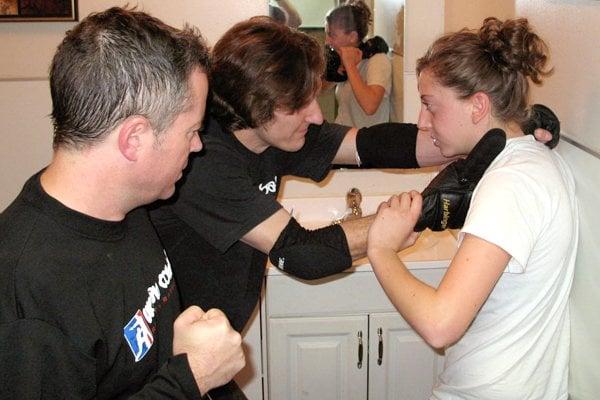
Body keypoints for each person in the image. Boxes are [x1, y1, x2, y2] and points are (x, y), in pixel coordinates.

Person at [148, 16, 557, 336]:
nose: (316, 115)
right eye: (300, 105)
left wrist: (502, 128)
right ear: (257, 108)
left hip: (207, 339)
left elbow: (374, 144)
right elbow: (301, 253)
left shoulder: (277, 134)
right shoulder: (202, 165)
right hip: (170, 353)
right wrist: (421, 213)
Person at [0, 7, 245, 399]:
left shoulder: (128, 207)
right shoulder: (28, 299)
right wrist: (190, 376)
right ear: (135, 139)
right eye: (192, 131)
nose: (198, 146)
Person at [366, 17, 578, 399]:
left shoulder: (511, 183)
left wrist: (380, 250)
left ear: (478, 105)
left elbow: (440, 324)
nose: (422, 120)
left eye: (430, 105)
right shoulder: (525, 161)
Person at [324, 0, 392, 128]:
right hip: (342, 136)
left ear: (352, 37)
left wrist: (350, 66)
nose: (327, 41)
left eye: (331, 35)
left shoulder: (378, 61)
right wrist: (335, 71)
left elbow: (370, 106)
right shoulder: (341, 58)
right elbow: (319, 89)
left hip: (366, 143)